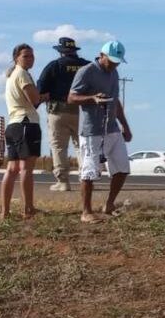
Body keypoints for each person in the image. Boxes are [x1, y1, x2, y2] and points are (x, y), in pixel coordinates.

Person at [68, 40, 133, 223]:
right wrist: (92, 99)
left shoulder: (114, 73)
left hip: (112, 129)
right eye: (111, 60)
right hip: (92, 131)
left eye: (118, 61)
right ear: (101, 55)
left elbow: (116, 102)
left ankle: (109, 204)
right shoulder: (86, 71)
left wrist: (125, 126)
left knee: (122, 168)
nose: (114, 64)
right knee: (89, 172)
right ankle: (86, 211)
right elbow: (71, 97)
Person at [36, 36, 90, 192]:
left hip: (57, 110)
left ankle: (63, 181)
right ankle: (85, 179)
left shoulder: (54, 66)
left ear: (60, 52)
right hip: (80, 111)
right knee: (80, 146)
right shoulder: (85, 65)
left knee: (59, 147)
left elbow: (41, 89)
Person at [1, 43, 43, 220]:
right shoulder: (22, 74)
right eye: (26, 56)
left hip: (13, 124)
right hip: (26, 123)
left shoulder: (11, 76)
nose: (30, 59)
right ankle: (28, 209)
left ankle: (5, 211)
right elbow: (34, 100)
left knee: (12, 169)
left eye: (32, 56)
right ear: (16, 57)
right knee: (26, 168)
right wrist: (45, 96)